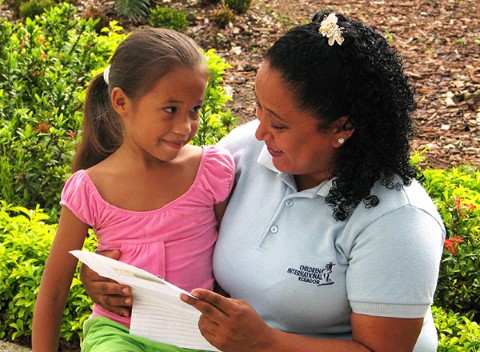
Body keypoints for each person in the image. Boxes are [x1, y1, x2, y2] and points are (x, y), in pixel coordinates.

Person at [81, 11, 445, 352]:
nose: (259, 132)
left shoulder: (397, 220)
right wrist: (110, 279)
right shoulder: (242, 153)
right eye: (259, 109)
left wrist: (266, 342)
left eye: (279, 124)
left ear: (342, 128)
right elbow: (171, 231)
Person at [32, 27, 235, 352]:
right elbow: (54, 291)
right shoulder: (90, 188)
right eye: (171, 109)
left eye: (194, 109)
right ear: (122, 102)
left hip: (196, 335)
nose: (185, 127)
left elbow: (233, 259)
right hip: (119, 334)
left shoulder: (209, 170)